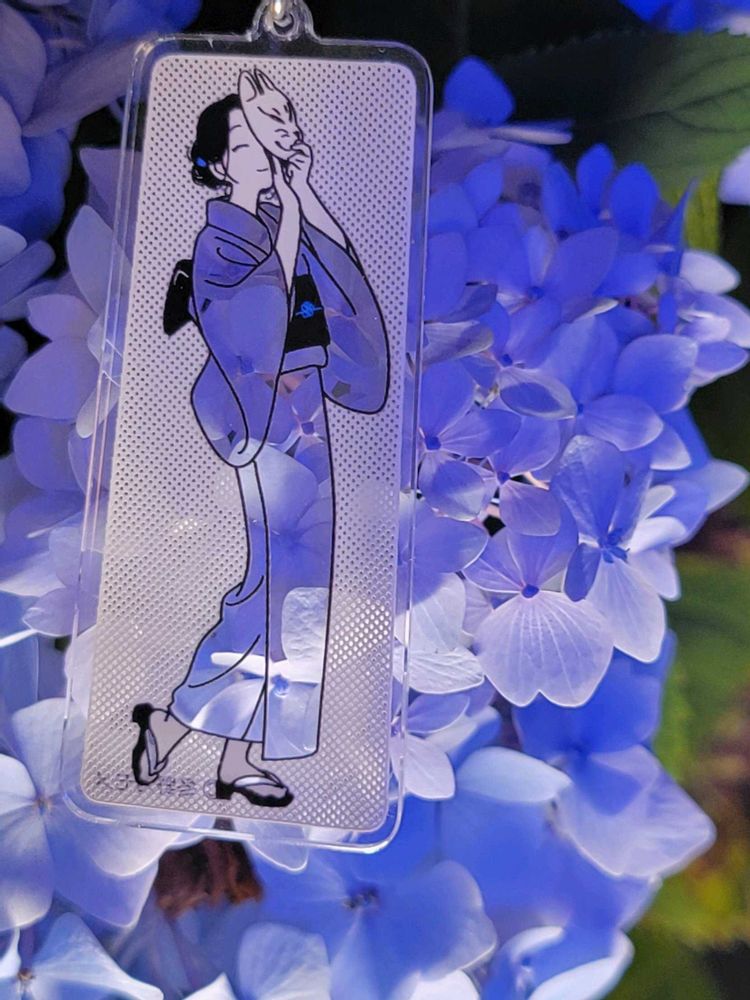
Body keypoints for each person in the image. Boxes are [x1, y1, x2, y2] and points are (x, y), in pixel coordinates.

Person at [131, 69, 389, 807]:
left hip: (304, 411)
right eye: (241, 145)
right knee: (273, 581)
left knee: (296, 584)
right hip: (261, 417)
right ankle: (185, 723)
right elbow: (258, 311)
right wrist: (289, 217)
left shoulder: (282, 211)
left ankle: (227, 751)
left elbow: (339, 269)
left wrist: (304, 196)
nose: (259, 154)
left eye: (261, 140)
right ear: (217, 164)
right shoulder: (218, 240)